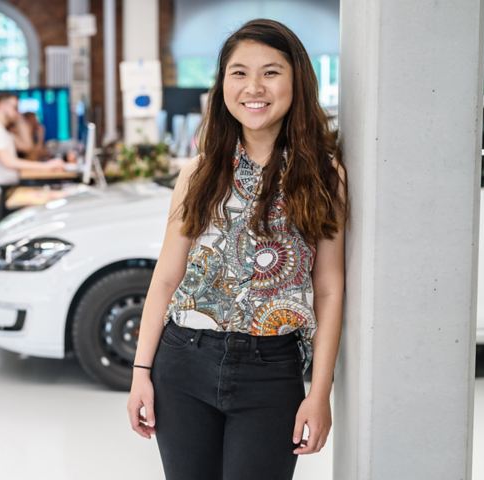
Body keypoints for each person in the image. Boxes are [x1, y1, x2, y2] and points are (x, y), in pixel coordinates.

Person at [126, 19, 348, 480]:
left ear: (297, 81)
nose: (254, 87)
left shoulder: (325, 176)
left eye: (271, 72)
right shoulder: (200, 173)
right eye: (239, 72)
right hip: (183, 361)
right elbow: (166, 278)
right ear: (223, 83)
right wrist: (140, 372)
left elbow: (329, 287)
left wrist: (319, 391)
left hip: (271, 371)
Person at [0, 93, 65, 206]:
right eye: (14, 108)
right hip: (0, 193)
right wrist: (46, 166)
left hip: (9, 190)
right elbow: (9, 162)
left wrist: (19, 120)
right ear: (1, 105)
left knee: (59, 194)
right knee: (55, 198)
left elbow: (27, 147)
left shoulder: (3, 131)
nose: (17, 112)